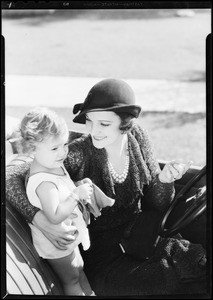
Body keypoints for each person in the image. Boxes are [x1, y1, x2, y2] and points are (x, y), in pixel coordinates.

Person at [6, 79, 207, 296]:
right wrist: (40, 220)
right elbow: (9, 177)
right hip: (105, 259)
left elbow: (154, 203)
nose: (94, 131)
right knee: (182, 278)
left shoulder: (137, 137)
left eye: (104, 124)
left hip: (142, 238)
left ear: (125, 123)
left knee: (196, 265)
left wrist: (164, 181)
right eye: (90, 121)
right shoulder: (78, 153)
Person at [16, 107, 95, 296]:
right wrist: (76, 194)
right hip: (56, 243)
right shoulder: (44, 182)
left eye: (64, 145)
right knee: (71, 279)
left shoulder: (52, 164)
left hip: (67, 236)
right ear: (33, 148)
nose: (62, 152)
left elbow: (62, 189)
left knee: (79, 268)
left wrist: (77, 185)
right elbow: (54, 216)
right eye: (55, 148)